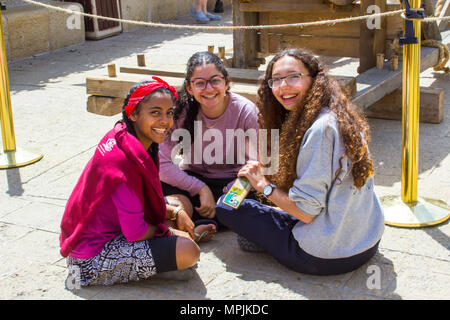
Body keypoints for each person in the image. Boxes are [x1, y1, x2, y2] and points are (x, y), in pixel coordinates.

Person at [215, 48, 385, 276]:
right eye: (276, 80)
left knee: (227, 206)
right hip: (367, 239)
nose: (283, 86)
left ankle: (265, 241)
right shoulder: (337, 115)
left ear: (315, 81)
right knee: (243, 191)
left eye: (294, 76)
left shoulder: (320, 130)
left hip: (325, 255)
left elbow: (306, 213)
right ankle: (264, 233)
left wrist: (262, 185)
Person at [60, 78, 211, 287]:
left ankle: (168, 260)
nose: (165, 121)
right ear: (133, 114)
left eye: (169, 113)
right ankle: (166, 263)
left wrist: (174, 213)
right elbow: (136, 232)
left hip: (111, 230)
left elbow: (139, 204)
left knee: (181, 204)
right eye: (155, 113)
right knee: (190, 251)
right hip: (88, 260)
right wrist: (169, 232)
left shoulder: (125, 137)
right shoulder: (123, 162)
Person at [159, 51, 259, 229]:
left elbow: (258, 163)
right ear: (189, 88)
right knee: (171, 203)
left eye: (215, 80)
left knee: (234, 207)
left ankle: (201, 225)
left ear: (227, 83)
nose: (209, 88)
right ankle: (193, 226)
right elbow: (161, 164)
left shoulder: (246, 111)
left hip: (235, 180)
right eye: (199, 83)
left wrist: (228, 193)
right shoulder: (180, 112)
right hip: (194, 180)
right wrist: (200, 188)